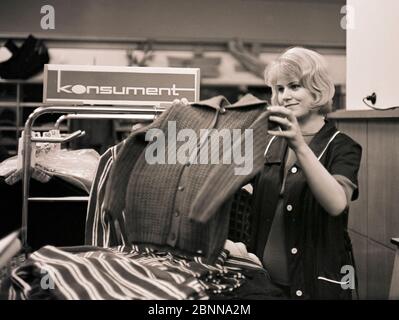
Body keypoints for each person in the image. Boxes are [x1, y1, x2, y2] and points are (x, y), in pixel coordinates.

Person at [247, 47, 362, 299]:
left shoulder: (343, 146)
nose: (285, 96)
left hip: (316, 286)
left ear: (317, 89)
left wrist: (299, 145)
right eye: (279, 89)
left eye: (294, 86)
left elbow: (336, 203)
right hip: (262, 285)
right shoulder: (267, 142)